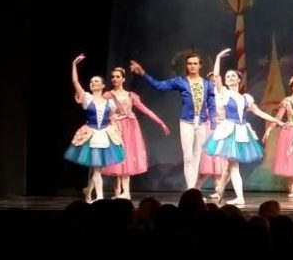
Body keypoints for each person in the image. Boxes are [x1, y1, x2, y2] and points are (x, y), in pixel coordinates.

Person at [203, 48, 283, 206]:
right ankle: (238, 196)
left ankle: (220, 189)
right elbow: (217, 76)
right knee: (233, 165)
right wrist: (218, 58)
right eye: (228, 76)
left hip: (241, 131)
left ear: (239, 80)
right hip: (229, 130)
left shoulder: (246, 98)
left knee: (230, 165)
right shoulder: (224, 93)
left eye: (233, 76)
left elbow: (259, 112)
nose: (230, 78)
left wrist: (277, 121)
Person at [130, 50, 217, 189]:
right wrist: (143, 74)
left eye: (195, 63)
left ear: (200, 65)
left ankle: (194, 189)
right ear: (186, 65)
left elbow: (212, 106)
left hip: (202, 122)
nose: (192, 66)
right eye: (190, 63)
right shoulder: (181, 81)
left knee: (197, 156)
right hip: (187, 122)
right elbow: (159, 86)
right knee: (188, 157)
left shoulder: (207, 84)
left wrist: (213, 124)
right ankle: (190, 189)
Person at [101, 66, 170, 200]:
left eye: (118, 77)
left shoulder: (130, 95)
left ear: (123, 79)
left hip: (129, 129)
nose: (115, 79)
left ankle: (126, 192)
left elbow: (145, 110)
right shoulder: (108, 95)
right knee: (116, 161)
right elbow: (100, 112)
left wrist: (160, 122)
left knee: (126, 159)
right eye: (113, 77)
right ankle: (117, 193)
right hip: (115, 128)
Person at [65, 54, 125, 202]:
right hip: (92, 135)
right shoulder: (87, 98)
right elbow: (75, 81)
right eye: (91, 81)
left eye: (96, 81)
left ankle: (88, 193)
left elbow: (113, 119)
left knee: (95, 168)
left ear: (103, 85)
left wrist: (117, 135)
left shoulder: (110, 103)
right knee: (96, 168)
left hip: (104, 135)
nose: (93, 83)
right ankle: (99, 197)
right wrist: (74, 64)